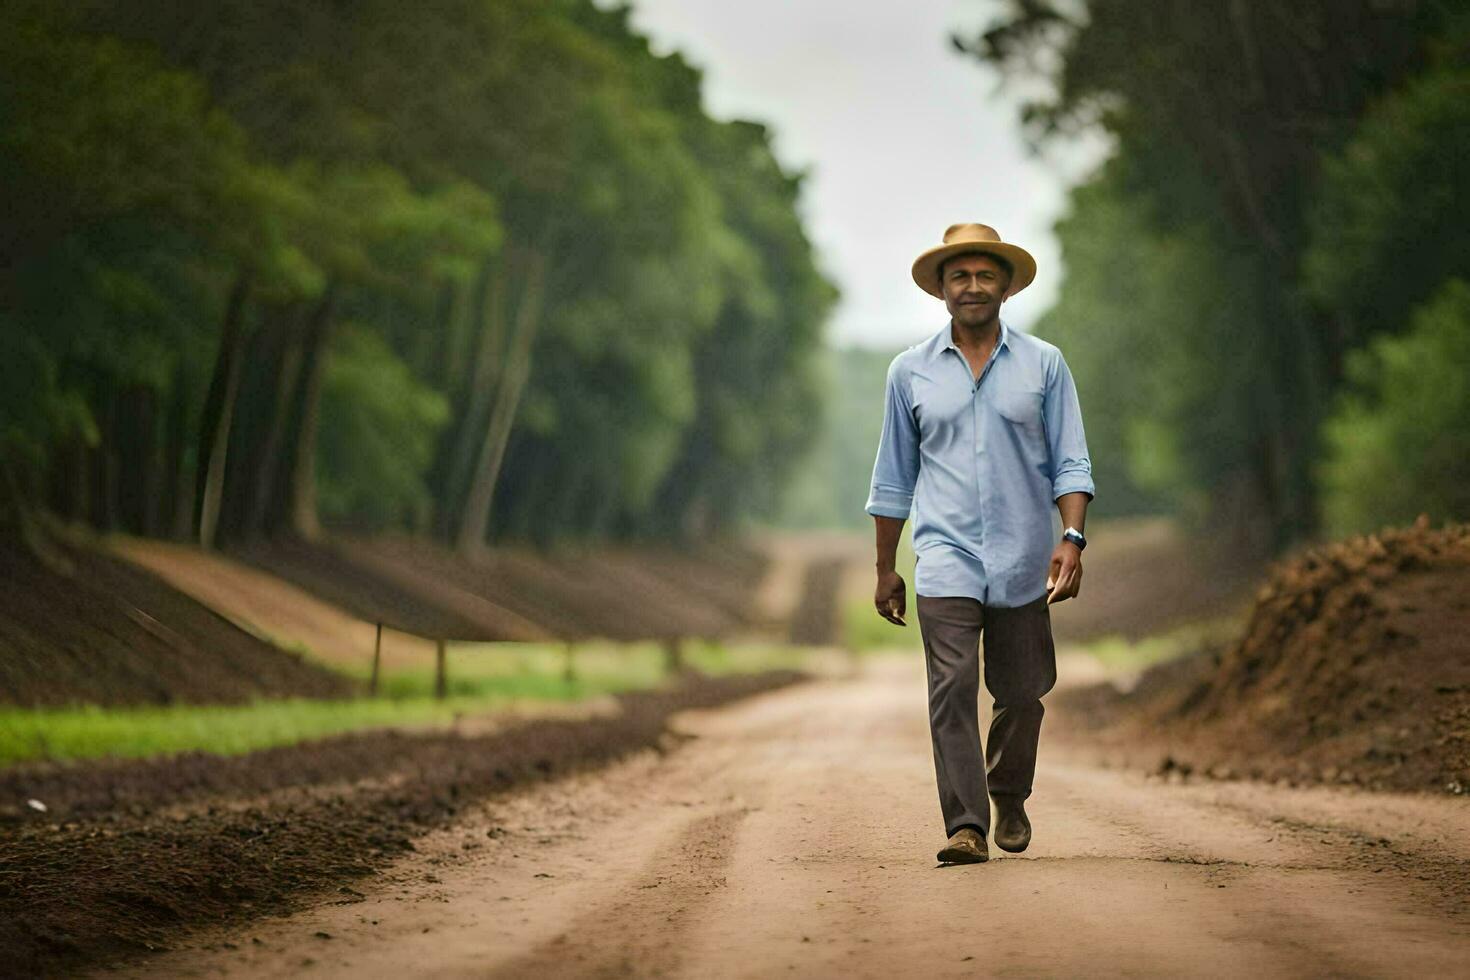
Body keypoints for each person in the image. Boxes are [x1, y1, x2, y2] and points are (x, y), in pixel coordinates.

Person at [865, 223, 1095, 865]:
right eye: (959, 276)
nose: (972, 287)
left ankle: (1008, 792)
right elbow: (892, 478)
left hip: (1025, 558)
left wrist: (1071, 537)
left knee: (1023, 693)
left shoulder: (1043, 364)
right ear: (941, 290)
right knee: (952, 685)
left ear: (1005, 286)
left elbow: (1071, 461)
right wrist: (886, 567)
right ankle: (965, 824)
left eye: (984, 275)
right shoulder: (908, 373)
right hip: (944, 557)